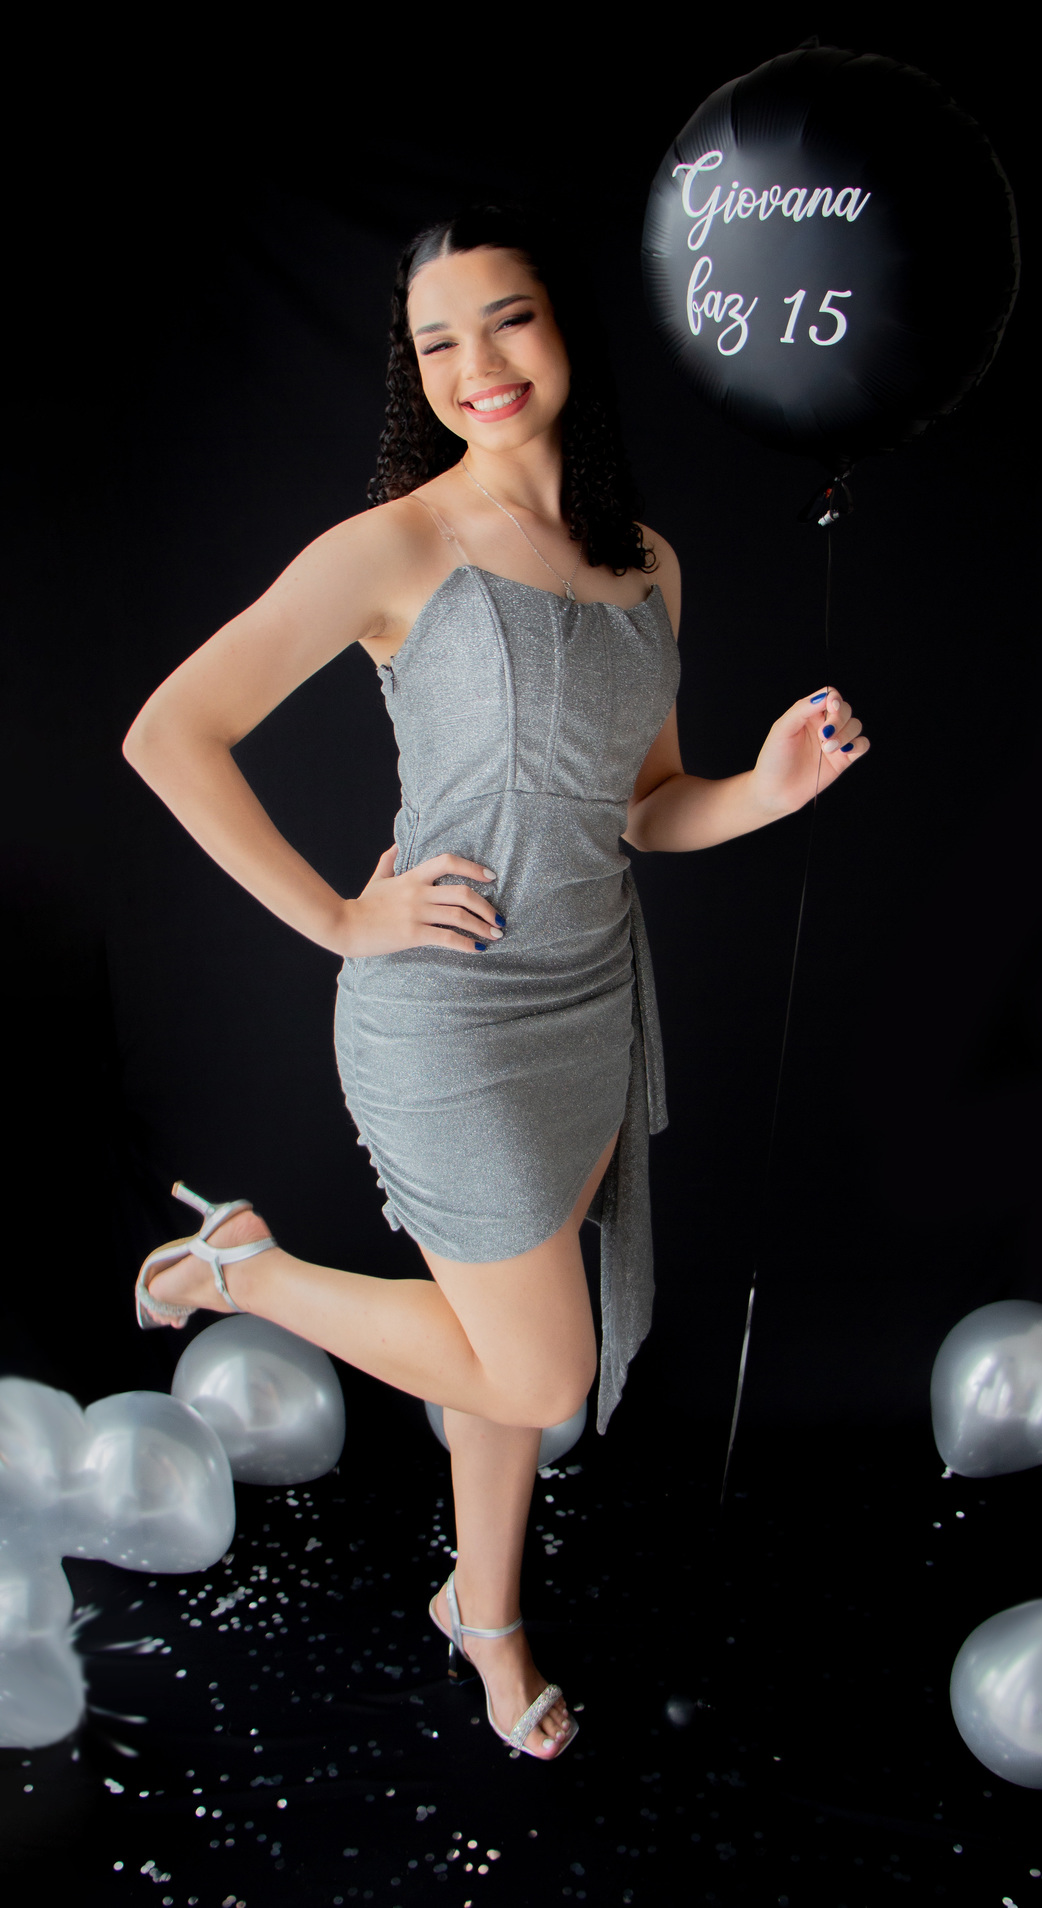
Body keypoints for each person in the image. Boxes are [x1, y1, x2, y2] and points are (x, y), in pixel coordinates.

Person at [122, 204, 869, 1762]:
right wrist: (341, 918)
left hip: (590, 999)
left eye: (508, 318)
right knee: (540, 1368)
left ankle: (486, 1614)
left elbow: (644, 808)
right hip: (447, 1012)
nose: (478, 363)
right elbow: (170, 733)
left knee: (493, 1361)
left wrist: (768, 790)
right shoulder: (400, 543)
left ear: (566, 325)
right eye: (437, 340)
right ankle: (241, 1271)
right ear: (413, 368)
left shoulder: (648, 561)